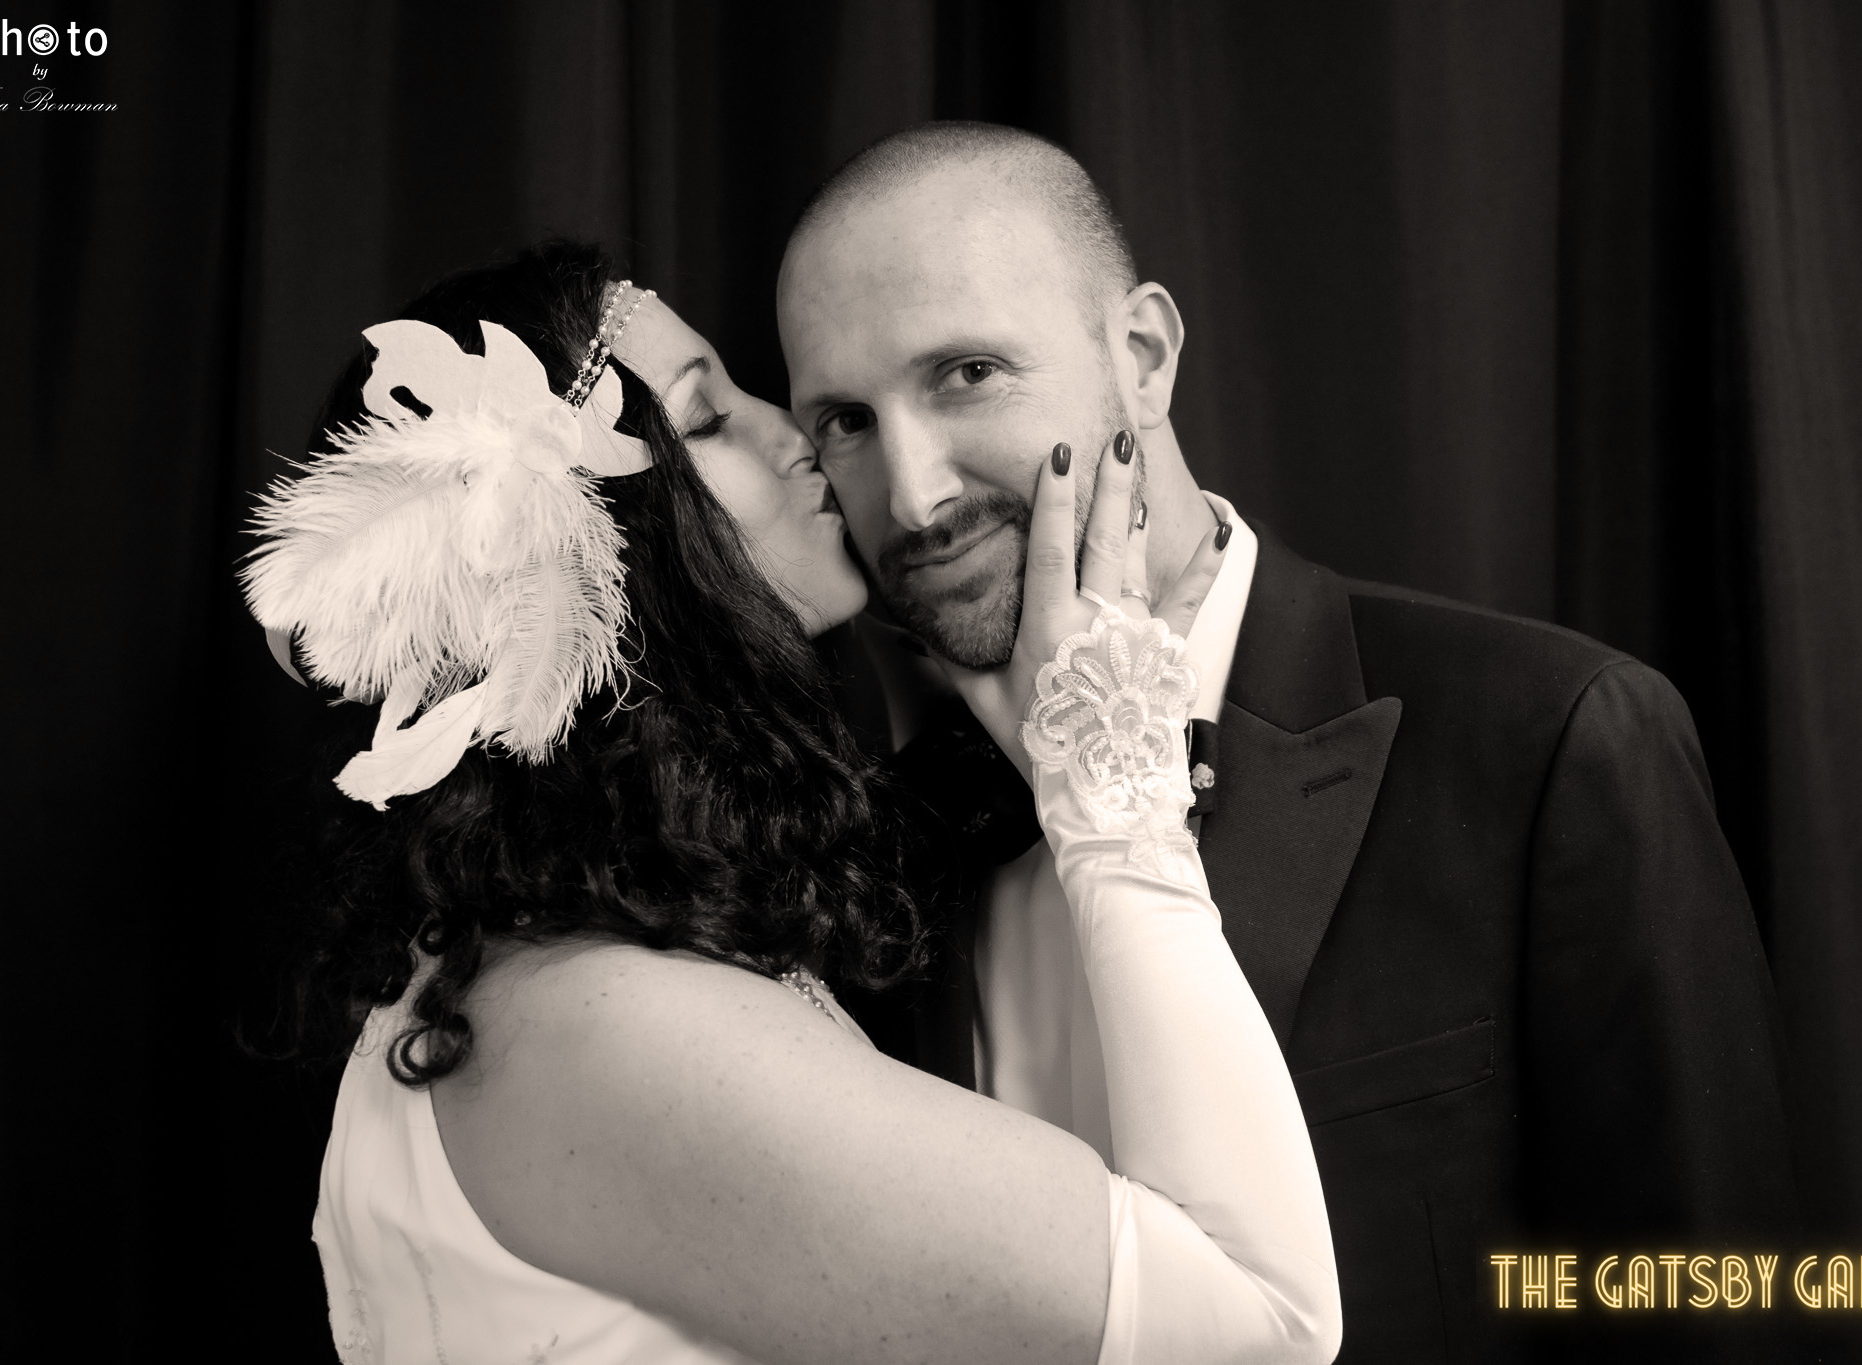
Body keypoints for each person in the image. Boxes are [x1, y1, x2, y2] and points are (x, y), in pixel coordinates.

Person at [778, 122, 1799, 1361]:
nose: (913, 494)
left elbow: (1719, 1303)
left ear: (1141, 357)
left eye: (965, 374)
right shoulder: (859, 843)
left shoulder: (1554, 736)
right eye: (844, 420)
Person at [247, 240, 1341, 1364]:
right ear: (590, 552)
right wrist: (1110, 792)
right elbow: (1262, 1326)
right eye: (709, 418)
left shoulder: (575, 961)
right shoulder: (610, 1028)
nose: (792, 433)